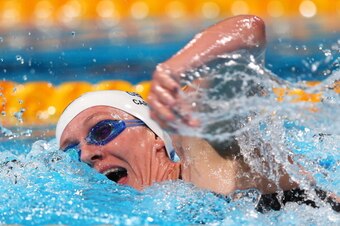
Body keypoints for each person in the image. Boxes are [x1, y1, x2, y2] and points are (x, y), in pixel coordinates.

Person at [56, 15, 339, 212]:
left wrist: (175, 69)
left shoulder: (203, 156)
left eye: (102, 131)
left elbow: (248, 30)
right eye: (72, 151)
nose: (85, 154)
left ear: (155, 135)